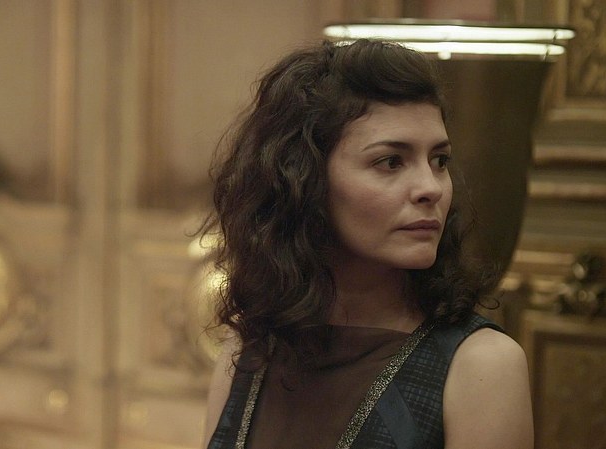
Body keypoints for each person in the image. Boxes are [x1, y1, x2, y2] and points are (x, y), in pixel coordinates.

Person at [200, 39, 533, 449]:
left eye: (439, 161)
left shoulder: (480, 364)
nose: (431, 188)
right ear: (303, 181)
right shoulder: (248, 352)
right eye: (391, 161)